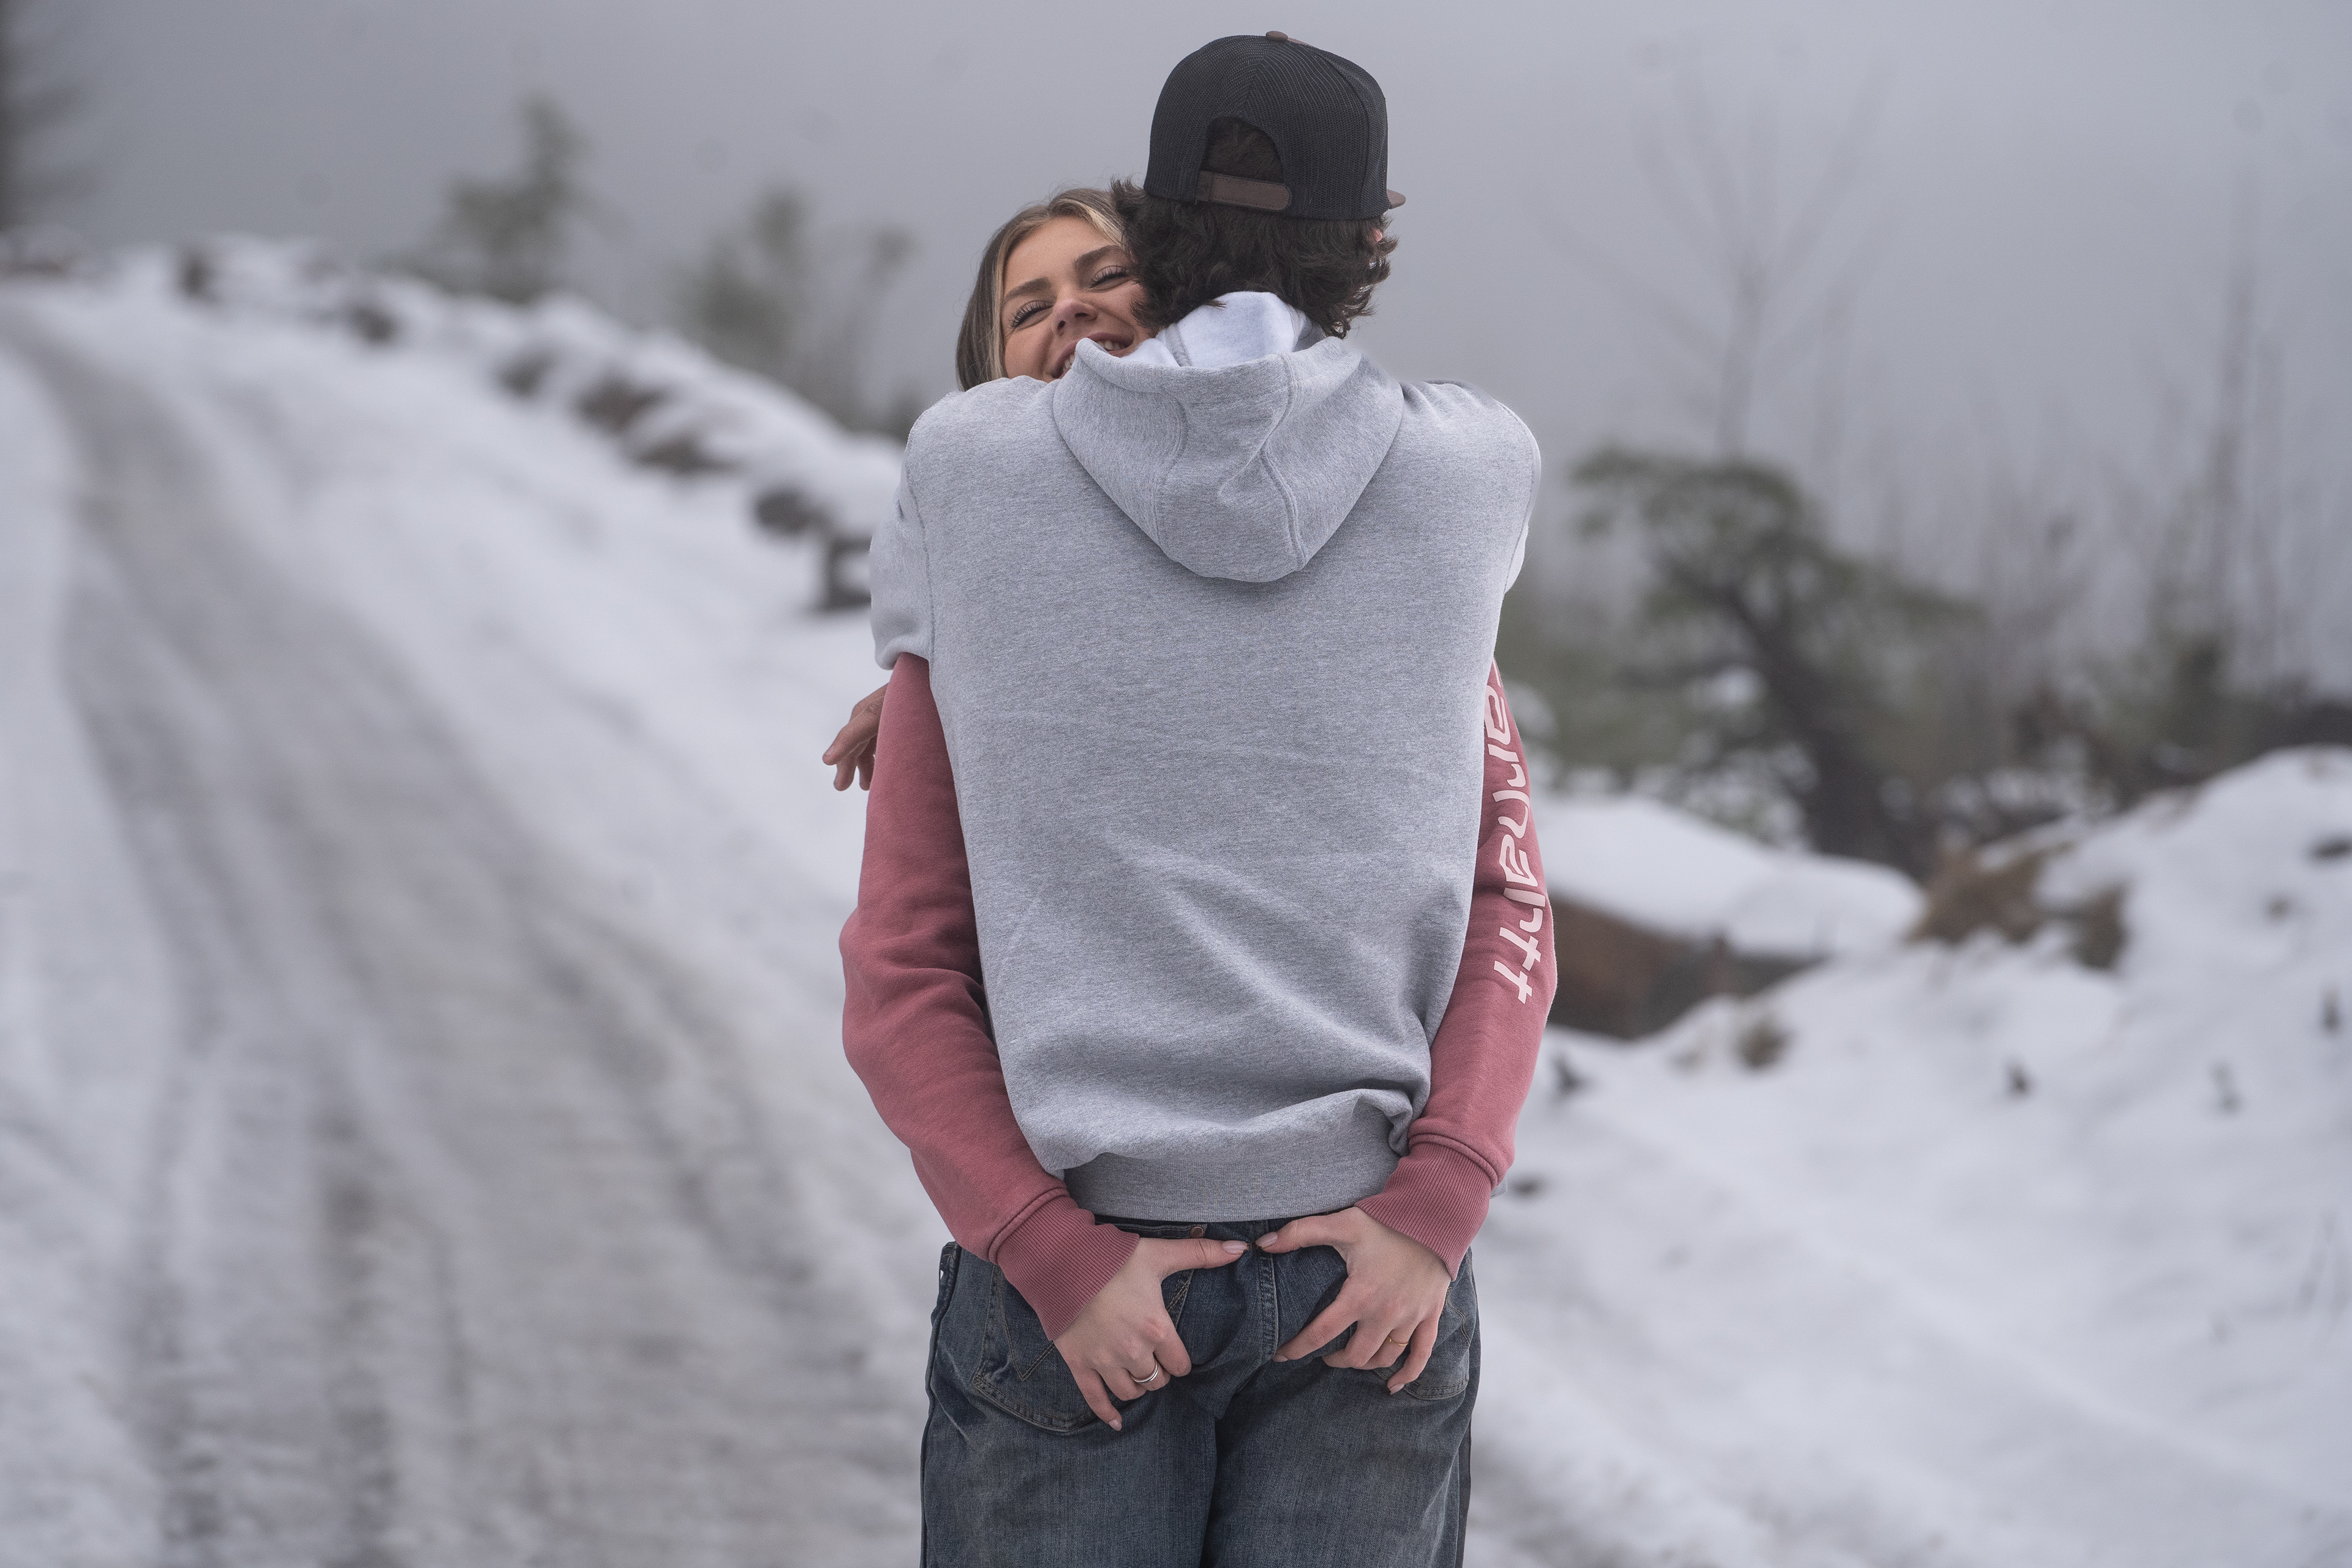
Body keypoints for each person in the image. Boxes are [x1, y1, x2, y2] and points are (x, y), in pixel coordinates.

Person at [840, 34, 1556, 1567]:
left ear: (1149, 243)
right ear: (1373, 242)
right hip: (1366, 1277)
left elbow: (901, 958)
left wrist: (1043, 1245)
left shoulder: (963, 474)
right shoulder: (1474, 476)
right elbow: (1509, 892)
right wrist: (1436, 1200)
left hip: (1076, 1279)